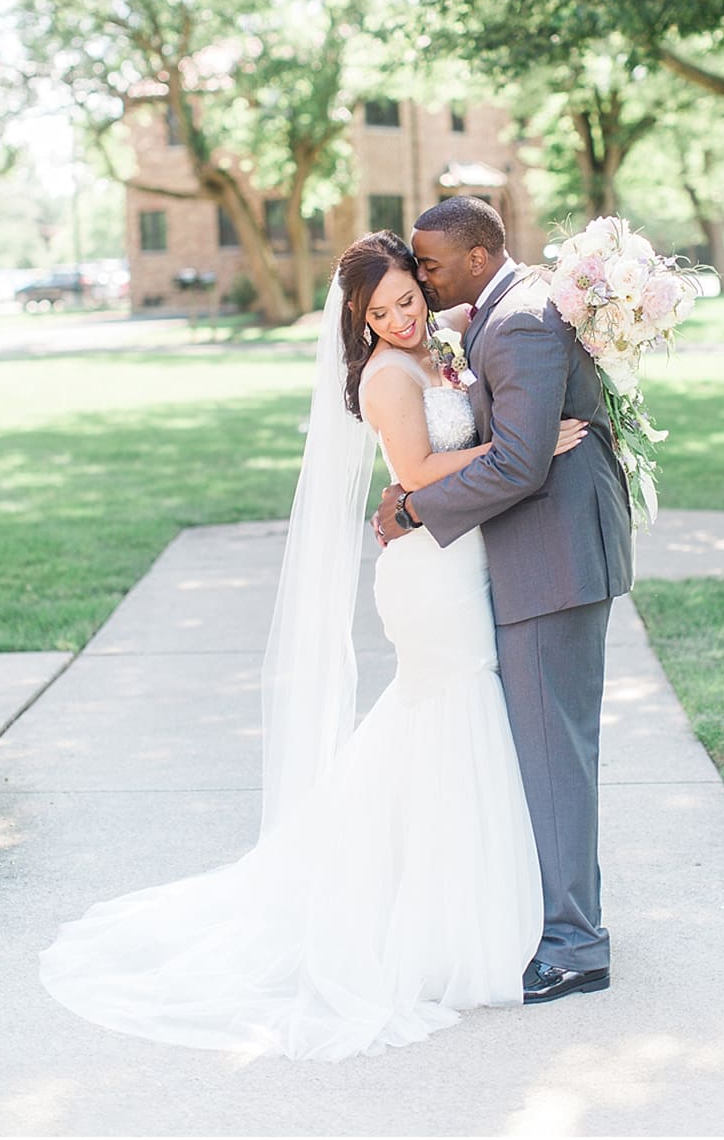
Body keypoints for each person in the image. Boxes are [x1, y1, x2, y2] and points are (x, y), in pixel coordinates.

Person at [39, 230, 587, 1059]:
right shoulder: (386, 376)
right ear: (359, 322)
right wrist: (522, 447)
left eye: (408, 298)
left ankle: (456, 902)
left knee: (444, 723)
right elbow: (415, 473)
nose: (403, 318)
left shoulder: (439, 348)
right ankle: (443, 925)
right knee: (452, 712)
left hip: (460, 556)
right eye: (382, 311)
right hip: (430, 576)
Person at [381, 194, 633, 1004]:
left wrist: (417, 508)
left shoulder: (519, 320)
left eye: (428, 263)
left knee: (555, 757)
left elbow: (522, 465)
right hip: (543, 555)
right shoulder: (503, 311)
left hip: (550, 559)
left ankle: (574, 948)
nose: (420, 277)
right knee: (553, 751)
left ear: (477, 259)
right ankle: (570, 921)